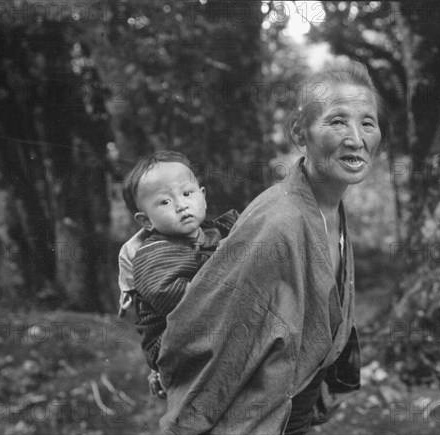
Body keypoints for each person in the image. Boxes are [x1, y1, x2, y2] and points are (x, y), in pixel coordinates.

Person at [156, 59, 385, 434]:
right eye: (338, 121)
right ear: (300, 134)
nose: (356, 139)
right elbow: (207, 335)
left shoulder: (330, 208)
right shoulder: (278, 223)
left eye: (367, 123)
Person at [117, 151, 238, 397]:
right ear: (146, 221)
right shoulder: (154, 255)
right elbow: (182, 304)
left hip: (210, 324)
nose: (182, 205)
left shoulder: (214, 230)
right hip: (171, 341)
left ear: (202, 197)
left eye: (186, 194)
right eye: (165, 202)